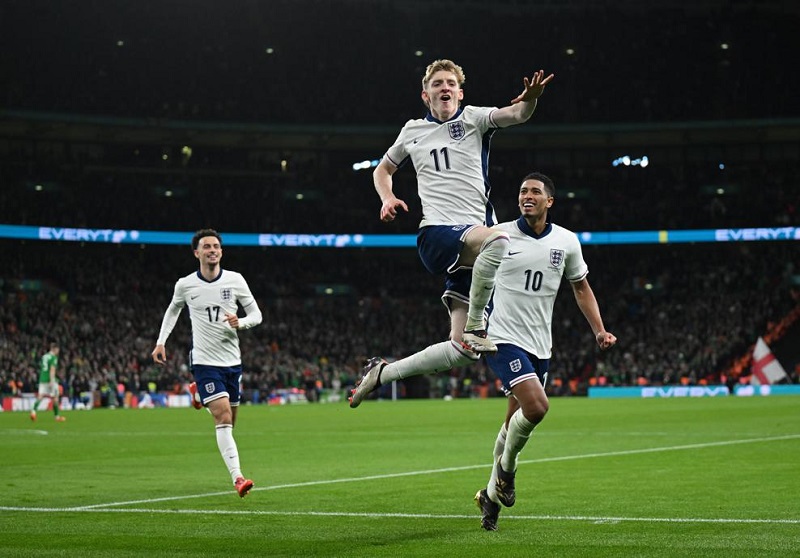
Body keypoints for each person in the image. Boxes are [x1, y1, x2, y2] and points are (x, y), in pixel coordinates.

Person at [349, 59, 554, 407]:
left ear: (460, 92)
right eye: (437, 83)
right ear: (425, 94)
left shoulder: (474, 118)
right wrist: (388, 198)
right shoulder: (412, 130)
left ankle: (382, 373)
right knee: (500, 239)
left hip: (474, 251)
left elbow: (517, 115)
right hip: (438, 234)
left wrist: (530, 99)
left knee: (462, 350)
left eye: (450, 83)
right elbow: (382, 169)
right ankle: (477, 325)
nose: (444, 88)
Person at [474, 172, 617, 530]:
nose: (527, 196)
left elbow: (581, 288)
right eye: (523, 191)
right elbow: (471, 271)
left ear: (549, 201)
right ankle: (506, 473)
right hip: (502, 338)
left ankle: (490, 497)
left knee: (512, 423)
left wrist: (599, 330)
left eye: (535, 192)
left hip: (541, 344)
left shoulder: (567, 242)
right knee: (537, 407)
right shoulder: (500, 235)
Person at [151, 228, 263, 498]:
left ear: (221, 252)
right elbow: (173, 309)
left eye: (216, 246)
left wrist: (242, 323)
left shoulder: (235, 280)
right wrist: (160, 341)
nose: (212, 250)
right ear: (197, 253)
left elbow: (257, 314)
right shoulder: (186, 284)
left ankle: (199, 395)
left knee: (230, 423)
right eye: (207, 247)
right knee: (223, 417)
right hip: (204, 360)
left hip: (232, 361)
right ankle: (238, 478)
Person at [30, 342, 66, 422]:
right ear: (55, 349)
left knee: (40, 396)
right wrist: (51, 380)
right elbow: (52, 369)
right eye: (58, 350)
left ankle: (33, 411)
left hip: (42, 379)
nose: (58, 351)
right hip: (50, 380)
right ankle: (57, 417)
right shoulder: (53, 358)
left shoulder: (44, 356)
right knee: (55, 397)